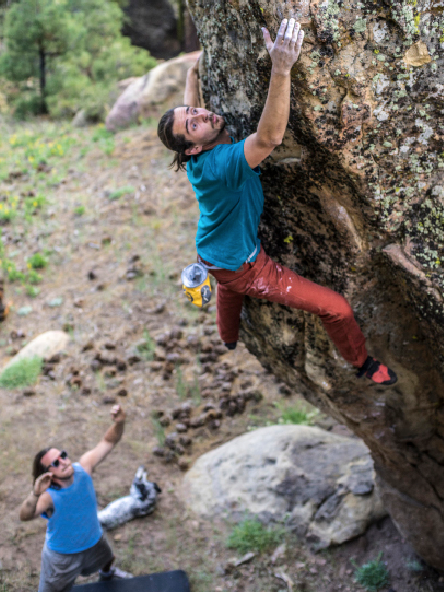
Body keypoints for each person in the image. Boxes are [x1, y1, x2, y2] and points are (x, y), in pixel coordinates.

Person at [157, 19, 397, 386]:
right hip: (246, 266)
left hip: (212, 251)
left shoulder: (193, 155)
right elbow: (268, 139)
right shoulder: (220, 164)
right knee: (336, 308)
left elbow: (192, 111)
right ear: (193, 147)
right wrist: (281, 68)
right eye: (193, 123)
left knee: (226, 289)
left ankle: (227, 336)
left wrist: (194, 73)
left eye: (193, 112)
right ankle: (361, 362)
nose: (201, 115)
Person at [20, 404, 132, 592]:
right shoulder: (48, 496)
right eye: (55, 463)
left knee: (107, 559)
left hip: (94, 540)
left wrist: (120, 423)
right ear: (47, 474)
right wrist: (35, 493)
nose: (63, 461)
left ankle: (108, 574)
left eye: (62, 455)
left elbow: (108, 442)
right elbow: (25, 515)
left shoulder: (84, 468)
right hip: (63, 557)